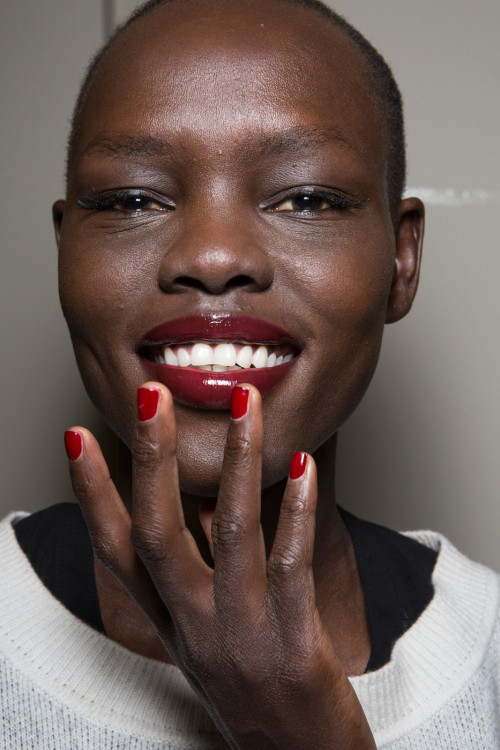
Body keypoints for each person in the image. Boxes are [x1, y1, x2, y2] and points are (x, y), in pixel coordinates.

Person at [0, 0, 498, 747]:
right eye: (133, 198)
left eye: (305, 197)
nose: (212, 255)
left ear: (401, 261)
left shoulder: (487, 650)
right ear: (65, 250)